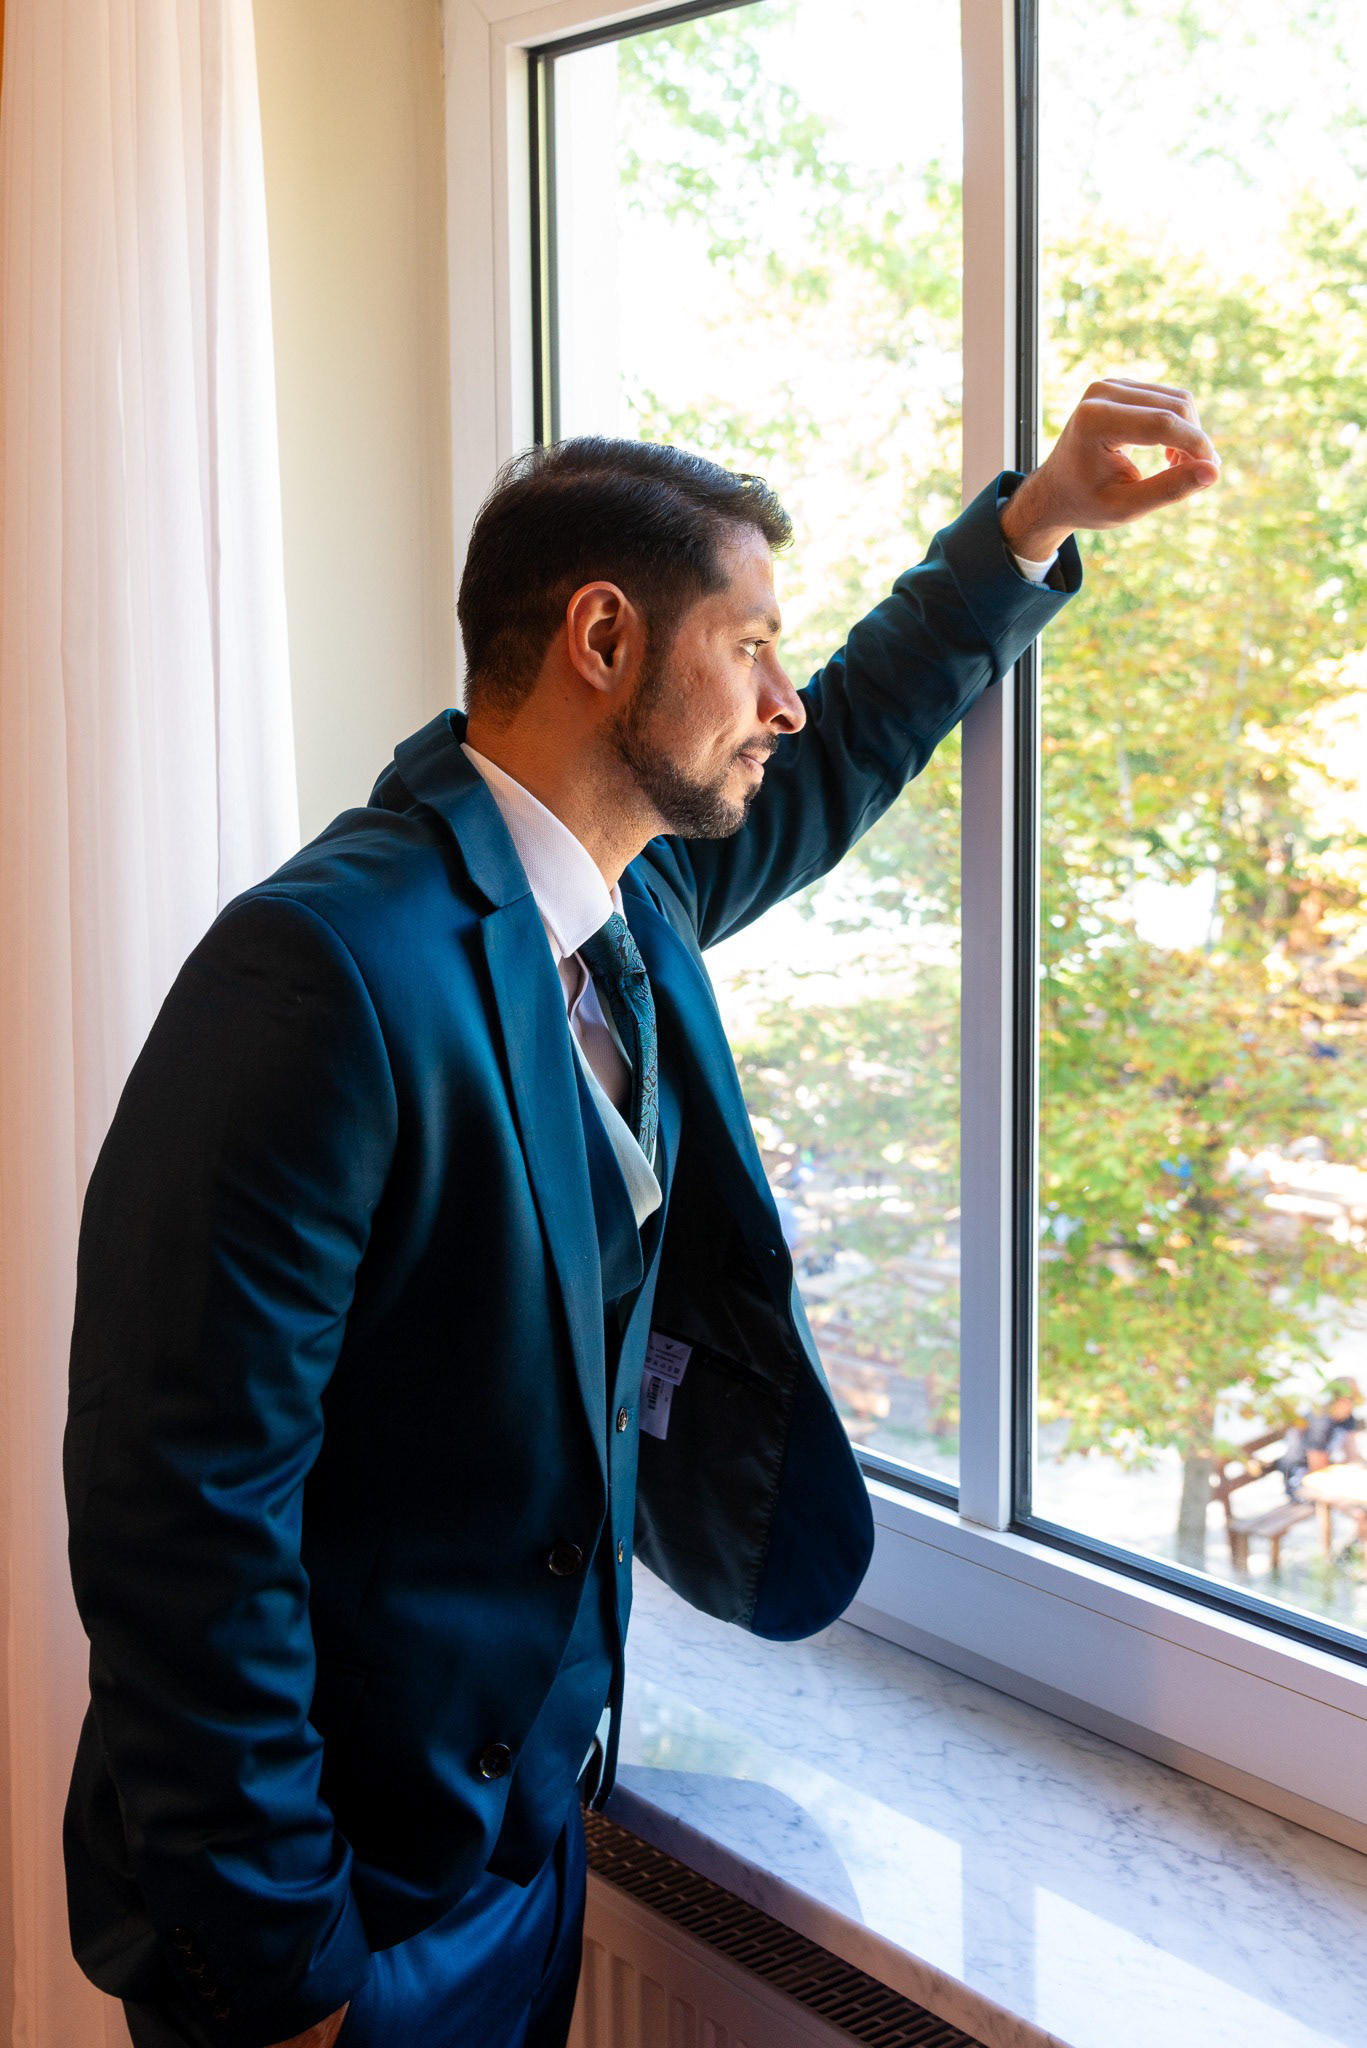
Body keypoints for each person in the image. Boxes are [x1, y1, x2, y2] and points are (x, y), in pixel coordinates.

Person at [63, 378, 1219, 2048]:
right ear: (604, 640)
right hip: (335, 1912)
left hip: (530, 1849)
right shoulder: (319, 970)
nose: (783, 701)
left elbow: (852, 737)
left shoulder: (633, 899)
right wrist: (282, 1963)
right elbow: (184, 1507)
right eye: (750, 647)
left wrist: (1032, 524)